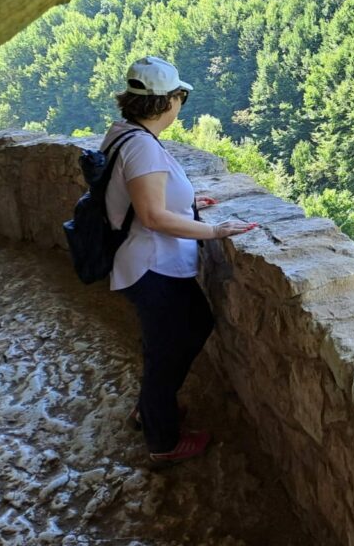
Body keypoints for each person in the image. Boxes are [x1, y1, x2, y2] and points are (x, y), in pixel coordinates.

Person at [101, 56, 257, 465]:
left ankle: (150, 410)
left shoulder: (124, 133)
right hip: (152, 266)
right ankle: (163, 441)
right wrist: (215, 231)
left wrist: (187, 202)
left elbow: (145, 197)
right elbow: (152, 215)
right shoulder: (143, 149)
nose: (180, 104)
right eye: (179, 97)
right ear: (167, 101)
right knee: (169, 349)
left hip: (146, 263)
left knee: (173, 339)